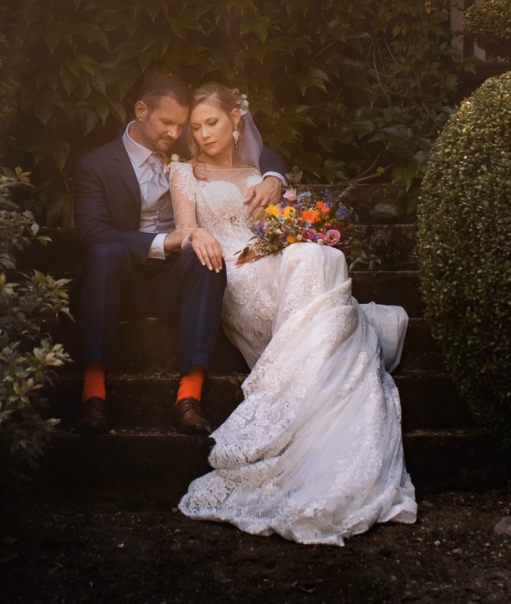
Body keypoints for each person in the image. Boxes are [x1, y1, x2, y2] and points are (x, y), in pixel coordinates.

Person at [170, 81, 416, 545]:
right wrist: (194, 234)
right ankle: (317, 381)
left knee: (320, 256)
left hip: (268, 260)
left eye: (212, 122)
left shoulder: (262, 172)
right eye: (196, 126)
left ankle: (322, 383)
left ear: (235, 118)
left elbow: (278, 225)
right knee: (308, 260)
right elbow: (184, 223)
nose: (203, 134)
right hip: (230, 270)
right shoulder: (187, 172)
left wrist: (282, 208)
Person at [69, 70, 288, 435]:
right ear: (141, 111)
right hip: (120, 282)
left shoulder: (189, 149)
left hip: (176, 280)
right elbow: (91, 235)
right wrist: (164, 242)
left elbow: (257, 150)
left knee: (207, 258)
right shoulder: (96, 166)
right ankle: (93, 394)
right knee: (106, 252)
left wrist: (274, 177)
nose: (175, 134)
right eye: (166, 123)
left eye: (181, 126)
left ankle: (188, 397)